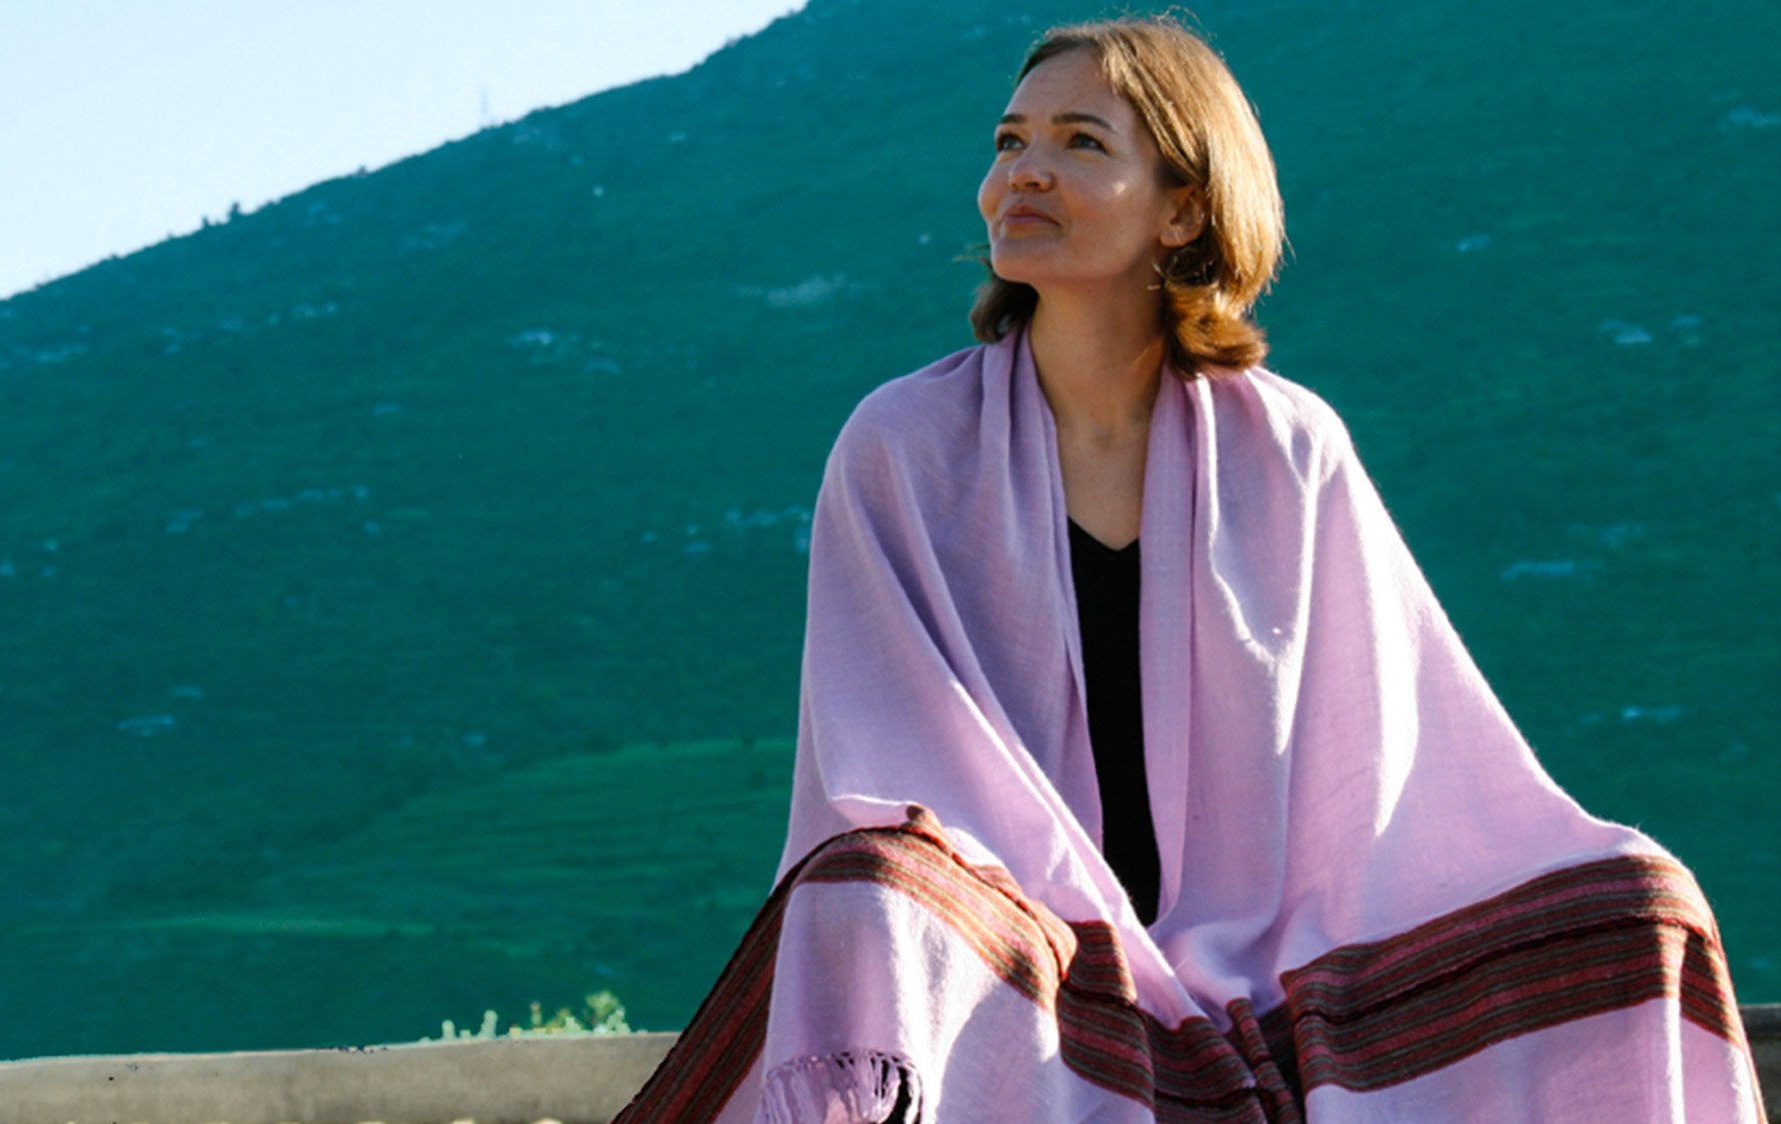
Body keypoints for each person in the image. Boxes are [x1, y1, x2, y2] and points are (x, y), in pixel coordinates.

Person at [620, 16, 1763, 1122]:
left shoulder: (1289, 446)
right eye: (1011, 140)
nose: (1022, 172)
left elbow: (1386, 759)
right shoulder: (902, 446)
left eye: (1079, 142)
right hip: (1004, 932)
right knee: (862, 889)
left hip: (1273, 939)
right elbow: (895, 759)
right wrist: (1091, 945)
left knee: (1639, 902)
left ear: (1181, 209)